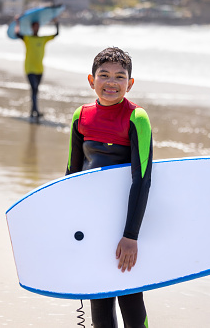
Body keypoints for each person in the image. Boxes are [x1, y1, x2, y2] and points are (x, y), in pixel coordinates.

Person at [66, 47, 152, 328]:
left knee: (131, 302)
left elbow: (142, 179)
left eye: (120, 76)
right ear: (92, 80)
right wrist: (71, 229)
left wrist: (130, 235)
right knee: (100, 307)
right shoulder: (81, 116)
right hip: (92, 224)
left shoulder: (136, 118)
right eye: (104, 75)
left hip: (125, 224)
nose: (111, 83)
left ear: (130, 83)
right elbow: (71, 174)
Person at [15, 18, 59, 118]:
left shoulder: (43, 39)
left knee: (36, 90)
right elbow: (17, 33)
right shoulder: (27, 38)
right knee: (34, 88)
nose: (36, 28)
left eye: (38, 26)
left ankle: (32, 111)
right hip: (29, 68)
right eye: (35, 26)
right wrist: (17, 22)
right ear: (32, 27)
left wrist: (56, 22)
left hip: (40, 69)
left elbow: (56, 34)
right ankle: (36, 111)